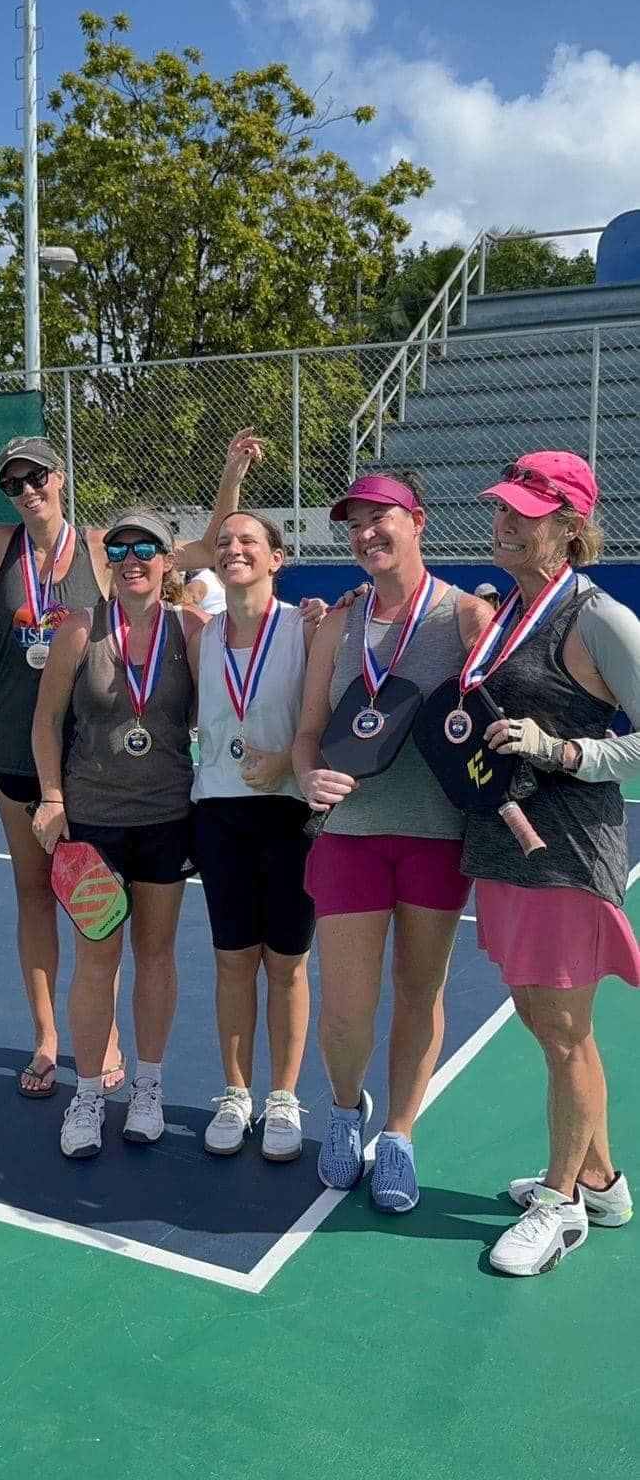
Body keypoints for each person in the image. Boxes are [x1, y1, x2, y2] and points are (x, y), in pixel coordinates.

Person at [0, 429, 260, 1101]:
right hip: (17, 758)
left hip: (95, 767)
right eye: (13, 484)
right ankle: (48, 1038)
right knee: (35, 895)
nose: (27, 491)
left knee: (100, 909)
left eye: (37, 477)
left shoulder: (107, 548)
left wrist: (231, 474)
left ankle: (104, 1044)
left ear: (60, 477)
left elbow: (203, 544)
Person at [459, 452, 640, 1277]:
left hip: (567, 850)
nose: (504, 522)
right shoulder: (508, 611)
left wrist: (565, 748)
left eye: (524, 514)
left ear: (569, 527)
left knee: (566, 1035)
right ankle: (600, 1182)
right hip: (505, 844)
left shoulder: (598, 618)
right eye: (501, 509)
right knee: (545, 1024)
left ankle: (562, 1206)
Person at [292, 469, 491, 1211]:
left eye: (383, 518)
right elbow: (309, 733)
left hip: (438, 835)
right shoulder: (338, 626)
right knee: (345, 1005)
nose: (367, 533)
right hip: (350, 834)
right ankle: (347, 1112)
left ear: (420, 521)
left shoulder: (467, 617)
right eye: (355, 523)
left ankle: (401, 1133)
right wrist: (309, 778)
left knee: (419, 991)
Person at [31, 509, 207, 1158]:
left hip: (167, 818)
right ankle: (86, 1093)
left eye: (148, 547)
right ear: (107, 560)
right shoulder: (79, 630)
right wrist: (51, 797)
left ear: (168, 561)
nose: (133, 557)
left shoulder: (190, 629)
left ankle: (148, 1087)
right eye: (120, 547)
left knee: (156, 954)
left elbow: (253, 639)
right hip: (95, 825)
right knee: (97, 960)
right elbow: (46, 723)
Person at [187, 512, 318, 1163]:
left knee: (287, 965)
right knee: (233, 960)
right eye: (225, 541)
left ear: (276, 558)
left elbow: (332, 721)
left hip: (291, 817)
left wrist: (291, 761)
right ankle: (237, 1093)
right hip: (220, 816)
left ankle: (284, 1097)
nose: (234, 548)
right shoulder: (198, 633)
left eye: (249, 541)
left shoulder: (311, 626)